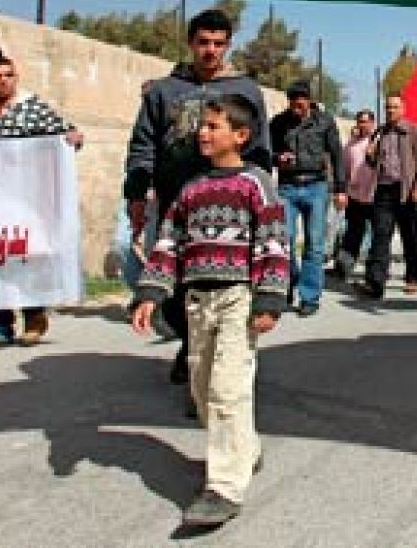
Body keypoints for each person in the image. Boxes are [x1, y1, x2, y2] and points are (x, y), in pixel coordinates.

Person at [132, 94, 286, 528]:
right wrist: (151, 293)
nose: (203, 132)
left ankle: (223, 488)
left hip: (238, 298)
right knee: (201, 388)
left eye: (213, 126)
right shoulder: (192, 188)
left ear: (240, 135)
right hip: (197, 301)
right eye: (202, 125)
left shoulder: (255, 184)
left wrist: (270, 298)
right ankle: (245, 448)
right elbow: (168, 242)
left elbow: (274, 242)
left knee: (226, 390)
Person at [123, 9, 271, 384]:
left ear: (228, 46)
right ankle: (191, 345)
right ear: (190, 43)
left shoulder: (245, 91)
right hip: (174, 202)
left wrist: (261, 197)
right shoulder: (164, 91)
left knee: (221, 284)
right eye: (203, 42)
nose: (210, 50)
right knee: (171, 282)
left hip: (229, 208)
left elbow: (259, 150)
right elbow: (143, 145)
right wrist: (136, 194)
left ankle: (213, 366)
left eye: (218, 44)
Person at [0, 57, 85, 355]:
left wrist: (72, 139)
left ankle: (34, 315)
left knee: (25, 256)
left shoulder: (31, 108)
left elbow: (66, 136)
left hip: (25, 202)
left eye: (9, 75)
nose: (4, 80)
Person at [269, 80, 346, 318]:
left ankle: (309, 297)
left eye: (300, 103)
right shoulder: (279, 123)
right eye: (292, 103)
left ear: (309, 101)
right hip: (287, 188)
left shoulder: (325, 121)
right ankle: (289, 282)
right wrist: (277, 158)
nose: (296, 107)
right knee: (285, 240)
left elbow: (337, 155)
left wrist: (340, 189)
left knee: (315, 244)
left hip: (316, 187)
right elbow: (266, 152)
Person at [354, 94, 417, 299]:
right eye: (388, 107)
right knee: (380, 235)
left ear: (403, 109)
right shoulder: (380, 132)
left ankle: (413, 277)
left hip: (408, 191)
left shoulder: (415, 131)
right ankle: (375, 282)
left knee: (411, 236)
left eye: (395, 107)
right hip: (384, 190)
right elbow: (373, 164)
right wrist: (370, 155)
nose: (390, 111)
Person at [333, 109, 379, 282]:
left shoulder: (379, 141)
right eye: (360, 121)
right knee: (352, 233)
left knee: (378, 235)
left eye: (366, 121)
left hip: (375, 195)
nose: (362, 125)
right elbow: (343, 169)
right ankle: (344, 268)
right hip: (355, 195)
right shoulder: (351, 144)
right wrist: (341, 191)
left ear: (373, 123)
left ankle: (374, 272)